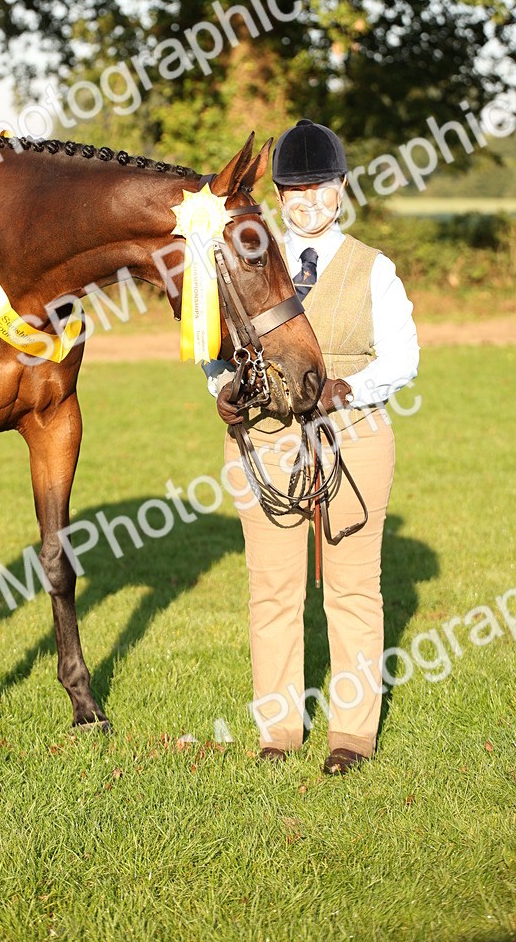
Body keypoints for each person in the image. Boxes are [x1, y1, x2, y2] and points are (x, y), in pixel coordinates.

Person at [206, 118, 419, 774]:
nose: (306, 200)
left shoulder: (372, 269)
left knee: (353, 587)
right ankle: (279, 729)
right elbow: (214, 349)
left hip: (353, 440)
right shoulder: (245, 259)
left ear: (341, 189)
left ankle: (351, 735)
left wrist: (346, 388)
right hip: (264, 443)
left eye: (318, 187)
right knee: (272, 587)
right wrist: (221, 388)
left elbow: (404, 359)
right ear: (276, 194)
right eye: (293, 189)